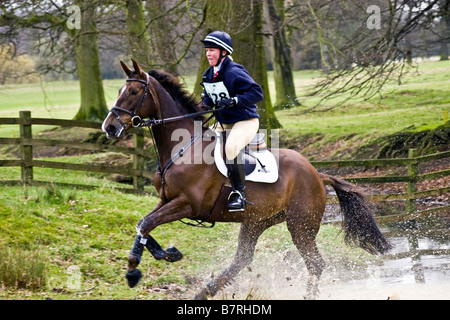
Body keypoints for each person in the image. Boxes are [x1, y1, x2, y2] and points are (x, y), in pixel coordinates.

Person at [200, 31, 264, 212]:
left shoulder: (234, 71)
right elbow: (210, 97)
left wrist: (235, 100)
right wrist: (205, 103)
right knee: (201, 143)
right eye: (207, 50)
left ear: (224, 52)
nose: (208, 54)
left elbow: (257, 93)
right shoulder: (208, 74)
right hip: (224, 122)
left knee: (231, 147)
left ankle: (239, 194)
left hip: (245, 120)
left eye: (212, 50)